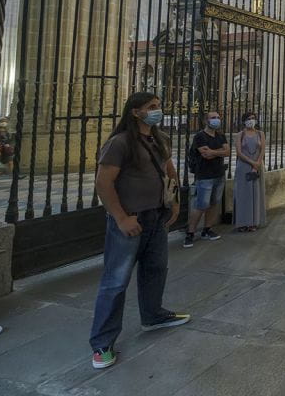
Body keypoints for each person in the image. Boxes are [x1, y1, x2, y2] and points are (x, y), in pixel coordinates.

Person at [89, 92, 189, 370]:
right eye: (151, 107)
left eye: (159, 106)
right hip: (130, 219)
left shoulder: (160, 139)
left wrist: (175, 202)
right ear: (135, 112)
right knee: (115, 280)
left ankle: (153, 315)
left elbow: (170, 171)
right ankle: (101, 342)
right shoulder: (120, 143)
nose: (158, 111)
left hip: (157, 216)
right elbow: (103, 183)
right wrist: (121, 218)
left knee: (156, 268)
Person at [184, 110, 230, 248]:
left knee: (214, 203)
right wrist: (218, 153)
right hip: (204, 175)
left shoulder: (221, 136)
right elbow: (205, 155)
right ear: (206, 121)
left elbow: (227, 152)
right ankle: (190, 232)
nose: (216, 119)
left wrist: (213, 152)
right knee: (201, 205)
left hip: (219, 173)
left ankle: (207, 229)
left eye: (218, 117)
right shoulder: (200, 136)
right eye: (213, 118)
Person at [233, 112, 266, 232]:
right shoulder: (240, 135)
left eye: (253, 118)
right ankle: (242, 222)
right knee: (243, 194)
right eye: (248, 119)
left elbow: (262, 149)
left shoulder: (260, 134)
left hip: (257, 166)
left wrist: (257, 164)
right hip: (244, 166)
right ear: (244, 121)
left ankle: (254, 222)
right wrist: (252, 163)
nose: (251, 120)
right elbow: (239, 152)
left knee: (256, 193)